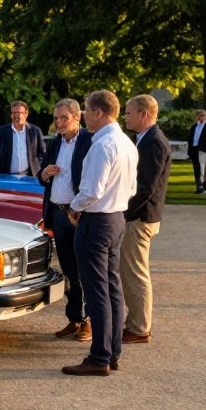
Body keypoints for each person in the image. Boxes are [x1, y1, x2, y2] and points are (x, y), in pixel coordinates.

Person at [62, 90, 138, 376]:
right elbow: (131, 189)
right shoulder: (127, 143)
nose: (83, 115)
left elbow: (91, 190)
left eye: (86, 110)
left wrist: (73, 207)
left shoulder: (102, 145)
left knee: (97, 293)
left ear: (99, 112)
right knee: (112, 288)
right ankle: (112, 351)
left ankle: (99, 357)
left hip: (97, 221)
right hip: (117, 218)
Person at [39, 98, 93, 342]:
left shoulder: (89, 141)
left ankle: (89, 321)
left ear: (77, 117)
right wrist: (45, 173)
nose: (59, 123)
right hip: (58, 213)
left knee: (86, 269)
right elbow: (41, 176)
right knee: (69, 271)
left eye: (64, 118)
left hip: (79, 214)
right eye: (56, 119)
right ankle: (74, 319)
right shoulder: (55, 143)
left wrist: (80, 208)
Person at [120, 94, 171, 343]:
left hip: (140, 218)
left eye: (129, 112)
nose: (125, 116)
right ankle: (135, 323)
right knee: (130, 272)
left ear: (144, 114)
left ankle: (139, 328)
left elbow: (145, 188)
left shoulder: (154, 142)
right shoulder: (145, 139)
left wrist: (123, 213)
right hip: (139, 217)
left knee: (135, 273)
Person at [0, 100, 46, 176]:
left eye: (20, 113)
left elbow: (44, 153)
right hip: (6, 176)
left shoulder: (35, 131)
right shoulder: (2, 131)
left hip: (30, 177)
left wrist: (38, 167)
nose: (16, 116)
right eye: (13, 113)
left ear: (26, 114)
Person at [187, 109, 206, 193]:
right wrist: (190, 150)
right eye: (198, 115)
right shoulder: (194, 126)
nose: (200, 117)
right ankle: (199, 186)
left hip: (205, 150)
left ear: (205, 116)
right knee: (197, 169)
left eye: (201, 115)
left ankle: (205, 185)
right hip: (195, 149)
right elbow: (190, 138)